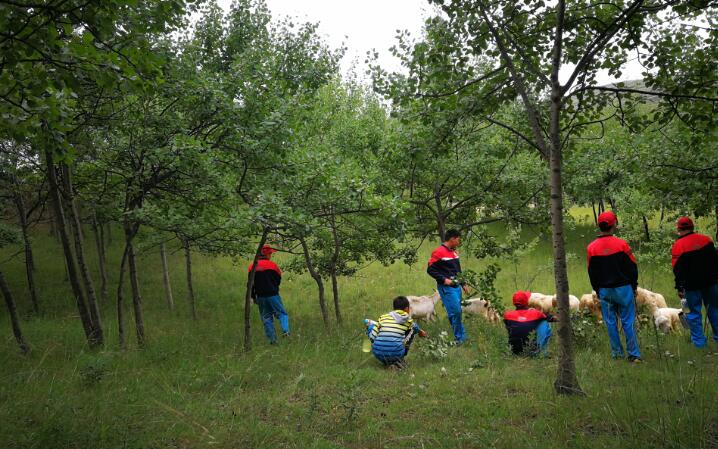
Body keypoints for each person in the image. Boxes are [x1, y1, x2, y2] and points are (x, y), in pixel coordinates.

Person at [586, 211, 641, 362]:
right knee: (628, 321)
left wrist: (597, 290)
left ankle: (617, 354)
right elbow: (632, 267)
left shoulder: (591, 248)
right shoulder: (622, 244)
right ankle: (634, 355)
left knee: (610, 323)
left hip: (605, 290)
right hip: (624, 289)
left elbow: (591, 272)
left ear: (599, 225)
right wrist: (634, 286)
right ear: (614, 224)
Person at [671, 216, 718, 348]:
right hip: (712, 283)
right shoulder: (706, 240)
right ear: (692, 227)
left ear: (679, 229)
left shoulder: (678, 246)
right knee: (715, 310)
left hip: (691, 287)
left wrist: (679, 287)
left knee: (693, 314)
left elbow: (677, 270)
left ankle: (699, 344)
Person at [427, 229, 470, 343]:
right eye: (458, 239)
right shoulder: (439, 252)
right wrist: (443, 279)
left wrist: (463, 283)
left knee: (456, 311)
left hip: (456, 287)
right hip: (446, 288)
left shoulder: (454, 252)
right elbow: (430, 269)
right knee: (455, 311)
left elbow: (458, 270)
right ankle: (460, 339)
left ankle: (461, 336)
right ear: (452, 239)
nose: (459, 242)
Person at [364, 296, 427, 367]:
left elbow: (372, 337)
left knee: (371, 325)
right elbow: (415, 327)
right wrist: (420, 332)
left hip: (377, 353)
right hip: (396, 354)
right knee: (412, 329)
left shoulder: (383, 317)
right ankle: (400, 359)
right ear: (406, 309)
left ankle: (386, 360)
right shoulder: (408, 320)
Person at [248, 245, 289, 344]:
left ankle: (272, 341)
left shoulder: (251, 267)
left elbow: (250, 284)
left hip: (260, 297)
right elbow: (278, 279)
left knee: (266, 318)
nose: (271, 255)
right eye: (270, 253)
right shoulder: (273, 266)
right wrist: (274, 288)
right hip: (273, 295)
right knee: (283, 314)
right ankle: (286, 330)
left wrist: (253, 297)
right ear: (266, 254)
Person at [503, 291, 553, 356]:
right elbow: (550, 318)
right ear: (526, 302)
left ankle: (515, 347)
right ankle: (543, 352)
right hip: (531, 350)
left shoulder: (507, 315)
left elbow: (509, 328)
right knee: (544, 322)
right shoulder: (536, 313)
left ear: (513, 303)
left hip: (514, 351)